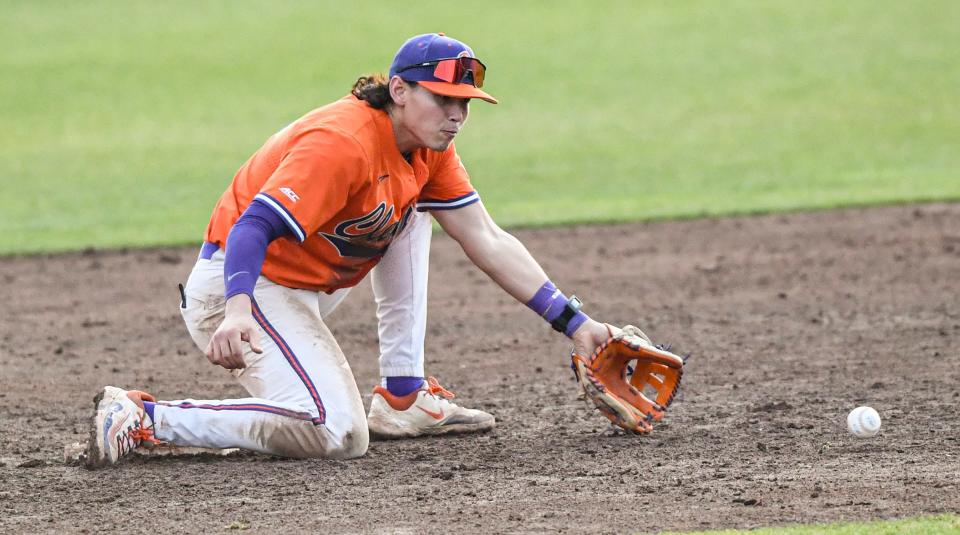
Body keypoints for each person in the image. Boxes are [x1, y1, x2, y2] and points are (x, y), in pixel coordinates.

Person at [85, 32, 614, 467]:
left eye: (464, 104)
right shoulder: (342, 143)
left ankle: (402, 395)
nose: (455, 116)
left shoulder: (428, 151)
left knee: (411, 211)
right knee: (335, 431)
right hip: (239, 288)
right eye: (442, 99)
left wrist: (578, 324)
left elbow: (487, 238)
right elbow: (251, 227)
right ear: (401, 90)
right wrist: (238, 309)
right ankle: (144, 417)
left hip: (300, 287)